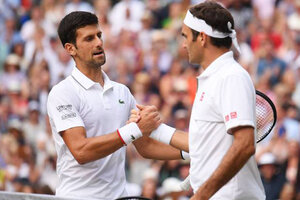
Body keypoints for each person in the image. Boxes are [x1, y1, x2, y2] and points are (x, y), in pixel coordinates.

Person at [133, 1, 266, 199]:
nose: (184, 44)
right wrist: (153, 128)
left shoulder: (230, 76)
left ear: (202, 38)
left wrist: (202, 195)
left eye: (185, 37)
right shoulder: (215, 77)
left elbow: (245, 144)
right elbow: (201, 144)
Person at [47, 11, 182, 200]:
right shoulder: (62, 93)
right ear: (71, 49)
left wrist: (194, 155)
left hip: (118, 197)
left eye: (99, 35)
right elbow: (81, 151)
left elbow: (146, 147)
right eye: (89, 39)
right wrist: (134, 130)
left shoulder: (122, 92)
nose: (98, 43)